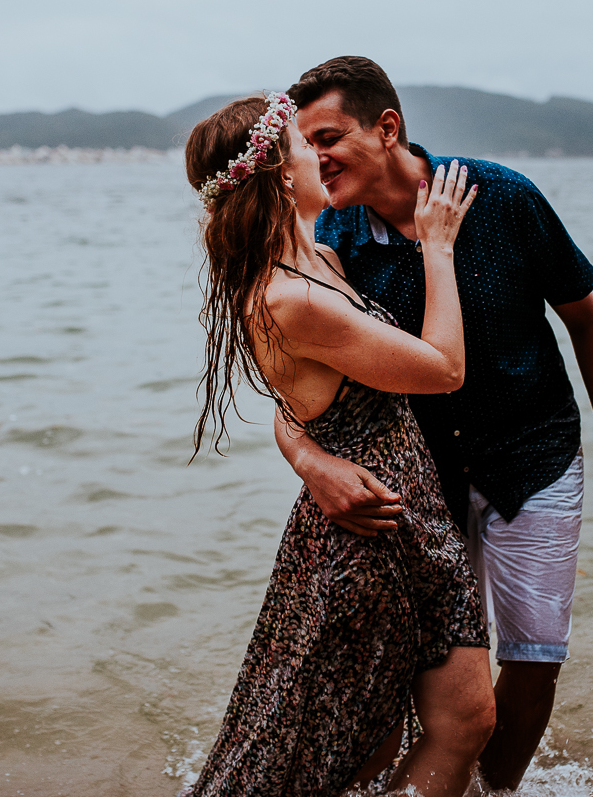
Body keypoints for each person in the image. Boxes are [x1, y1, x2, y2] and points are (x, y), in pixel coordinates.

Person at [280, 57, 593, 790]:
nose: (315, 158)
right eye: (304, 143)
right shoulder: (333, 242)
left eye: (329, 136)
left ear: (387, 128)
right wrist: (309, 461)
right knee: (421, 662)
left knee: (534, 655)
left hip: (534, 453)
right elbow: (295, 387)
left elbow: (586, 320)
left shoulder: (503, 197)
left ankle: (495, 789)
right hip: (421, 479)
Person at [182, 92, 495, 797]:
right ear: (281, 176)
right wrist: (437, 245)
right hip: (369, 536)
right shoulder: (288, 298)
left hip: (402, 512)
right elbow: (444, 370)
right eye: (302, 144)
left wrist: (308, 456)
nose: (317, 154)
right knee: (365, 746)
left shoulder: (318, 259)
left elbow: (295, 406)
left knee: (456, 719)